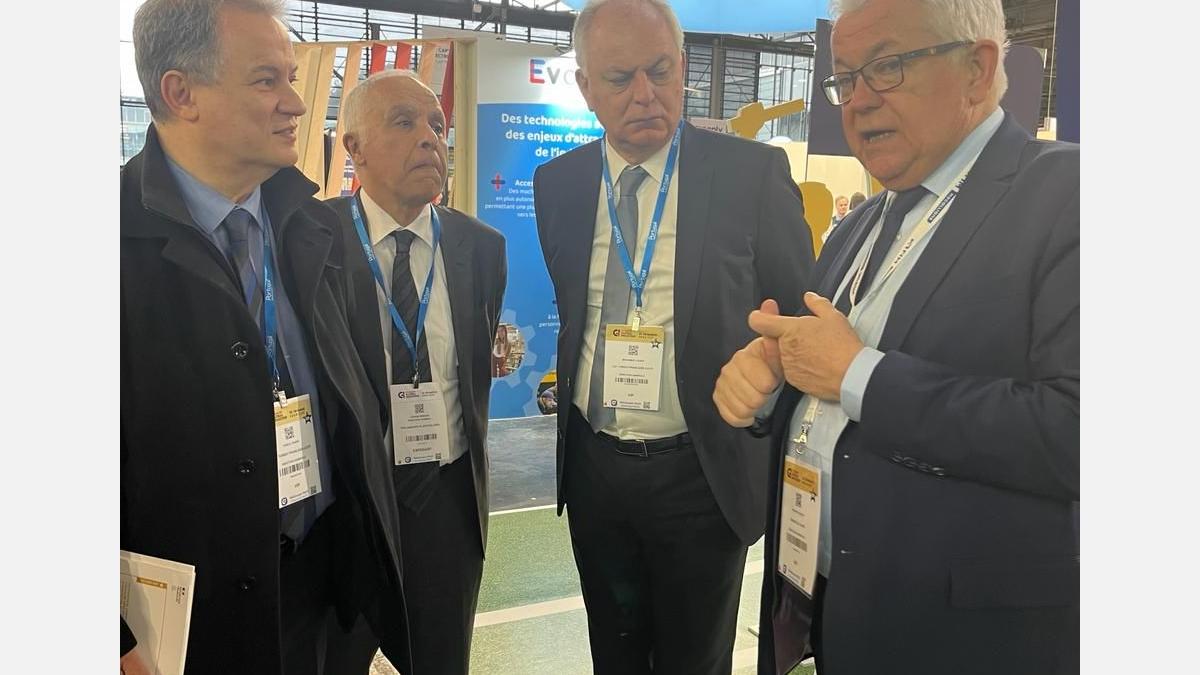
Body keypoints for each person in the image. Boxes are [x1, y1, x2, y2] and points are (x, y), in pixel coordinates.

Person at [711, 0, 1079, 673]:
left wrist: (859, 376)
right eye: (846, 78)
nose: (857, 101)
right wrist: (775, 384)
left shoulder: (1070, 196)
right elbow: (829, 393)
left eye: (886, 67)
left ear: (977, 68)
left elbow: (1075, 430)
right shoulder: (857, 228)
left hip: (969, 640)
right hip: (835, 609)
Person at [121, 1, 411, 673]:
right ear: (180, 93)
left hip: (322, 597)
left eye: (291, 78)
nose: (296, 104)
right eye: (265, 80)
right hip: (183, 628)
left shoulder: (312, 228)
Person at [533, 1, 814, 672]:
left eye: (660, 71)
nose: (645, 94)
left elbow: (801, 317)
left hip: (702, 472)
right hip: (596, 472)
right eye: (620, 77)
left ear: (684, 68)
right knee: (614, 654)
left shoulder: (750, 174)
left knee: (696, 660)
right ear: (586, 88)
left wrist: (767, 388)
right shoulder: (559, 184)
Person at [322, 70, 507, 675]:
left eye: (437, 125)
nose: (430, 138)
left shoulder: (481, 247)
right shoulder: (314, 239)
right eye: (404, 123)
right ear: (354, 146)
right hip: (349, 507)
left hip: (446, 504)